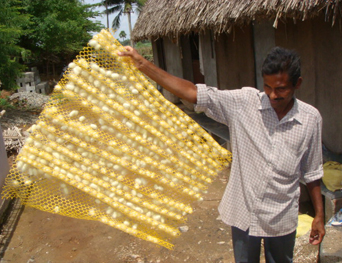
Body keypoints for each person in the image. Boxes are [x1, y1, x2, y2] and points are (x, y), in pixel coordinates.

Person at [118, 46, 325, 262]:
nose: (273, 95)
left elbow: (312, 172)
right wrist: (142, 64)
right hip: (244, 212)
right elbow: (192, 92)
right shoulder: (244, 103)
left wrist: (319, 216)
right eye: (267, 87)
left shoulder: (310, 119)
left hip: (280, 216)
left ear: (297, 84)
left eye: (281, 89)